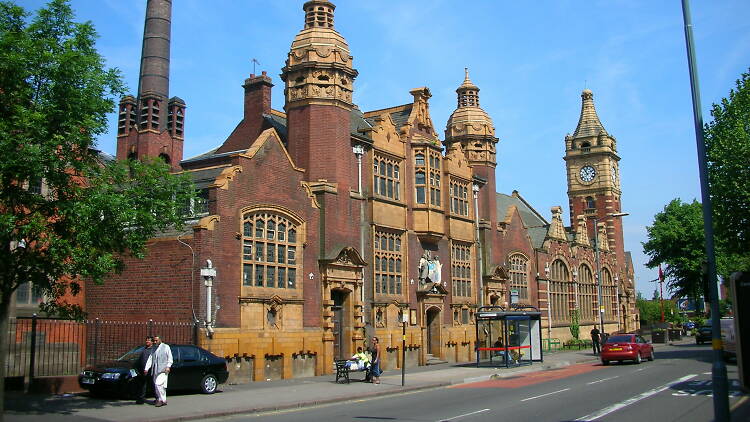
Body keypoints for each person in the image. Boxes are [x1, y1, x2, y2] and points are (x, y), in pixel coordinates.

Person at [145, 335, 173, 407]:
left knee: (158, 384)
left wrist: (168, 366)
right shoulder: (154, 348)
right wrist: (146, 368)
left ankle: (160, 400)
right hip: (155, 369)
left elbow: (170, 357)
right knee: (158, 386)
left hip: (163, 369)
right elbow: (150, 358)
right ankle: (163, 400)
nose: (155, 342)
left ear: (160, 340)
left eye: (156, 340)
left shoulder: (166, 347)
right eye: (154, 340)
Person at [135, 336, 154, 404]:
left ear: (152, 342)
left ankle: (157, 398)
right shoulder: (144, 349)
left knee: (152, 384)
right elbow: (139, 359)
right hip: (141, 370)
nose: (147, 341)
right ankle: (140, 399)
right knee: (141, 385)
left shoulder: (153, 350)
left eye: (148, 340)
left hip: (149, 370)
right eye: (146, 340)